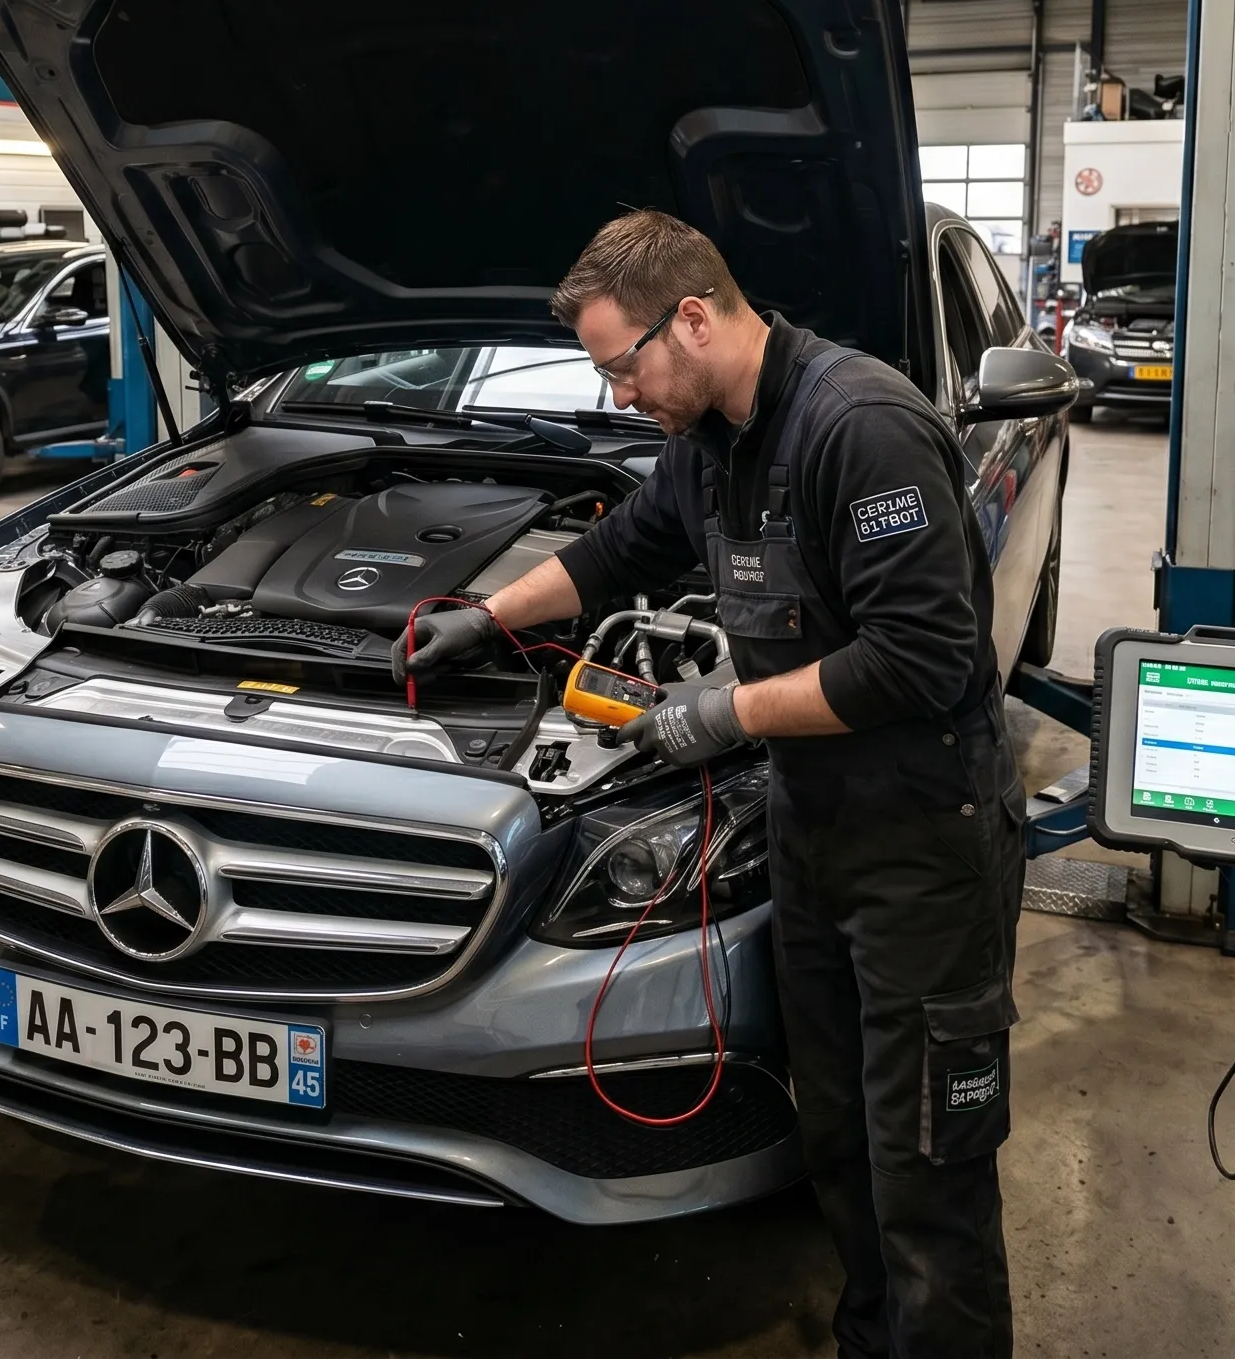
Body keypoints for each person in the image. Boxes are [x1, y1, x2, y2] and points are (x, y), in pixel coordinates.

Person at [397, 210, 1024, 1357]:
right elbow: (616, 551)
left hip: (920, 841)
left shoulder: (862, 428)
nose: (619, 395)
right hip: (809, 825)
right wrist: (483, 618)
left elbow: (921, 659)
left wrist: (715, 711)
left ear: (690, 318)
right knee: (836, 1134)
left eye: (619, 365)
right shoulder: (709, 440)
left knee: (927, 1161)